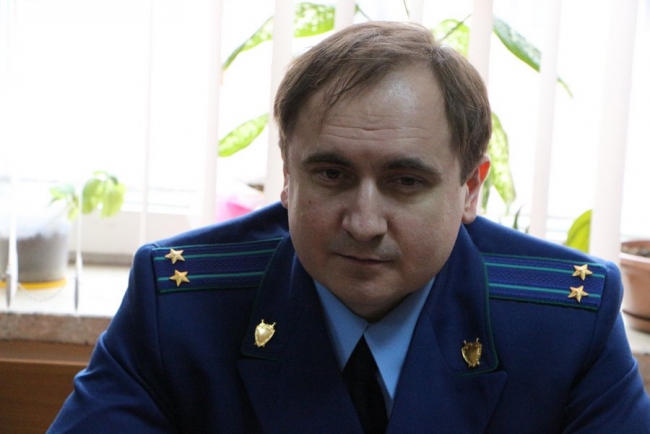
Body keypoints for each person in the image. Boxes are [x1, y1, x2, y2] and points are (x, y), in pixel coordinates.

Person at [49, 22, 650, 433]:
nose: (363, 223)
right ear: (288, 176)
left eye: (405, 181)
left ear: (470, 188)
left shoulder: (566, 325)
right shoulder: (180, 308)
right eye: (331, 175)